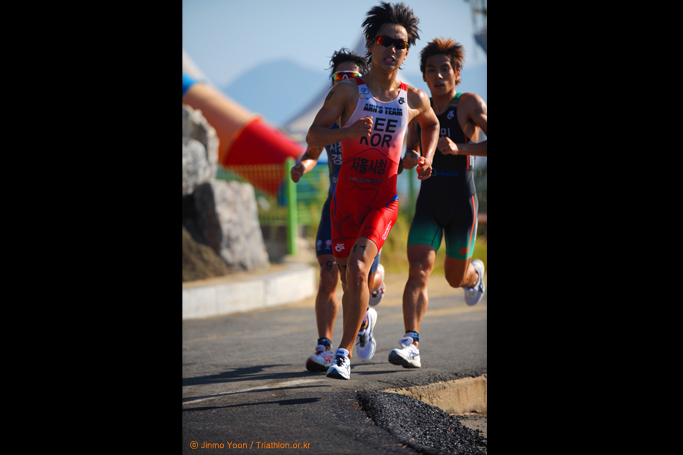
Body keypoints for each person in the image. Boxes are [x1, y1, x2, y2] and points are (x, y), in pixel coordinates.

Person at [306, 1, 440, 380]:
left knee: (360, 268)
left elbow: (430, 124)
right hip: (345, 202)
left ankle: (343, 354)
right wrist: (347, 131)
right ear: (370, 44)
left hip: (383, 202)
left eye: (400, 44)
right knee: (350, 282)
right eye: (385, 41)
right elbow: (313, 135)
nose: (392, 49)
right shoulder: (349, 91)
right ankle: (363, 322)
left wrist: (427, 156)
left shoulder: (413, 98)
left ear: (406, 52)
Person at [389, 37, 488, 369]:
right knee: (418, 269)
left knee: (453, 278)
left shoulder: (469, 104)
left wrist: (461, 149)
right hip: (429, 201)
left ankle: (474, 275)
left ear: (457, 73)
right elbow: (410, 151)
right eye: (431, 69)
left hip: (462, 202)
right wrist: (410, 158)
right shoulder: (420, 107)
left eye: (445, 68)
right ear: (424, 76)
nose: (438, 75)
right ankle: (411, 342)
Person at [289, 48, 386, 373]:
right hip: (335, 208)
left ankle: (367, 308)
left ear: (362, 80)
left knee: (359, 278)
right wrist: (302, 166)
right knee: (329, 275)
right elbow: (312, 151)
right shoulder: (329, 117)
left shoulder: (375, 115)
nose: (344, 80)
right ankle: (324, 347)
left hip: (366, 209)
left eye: (351, 75)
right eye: (338, 76)